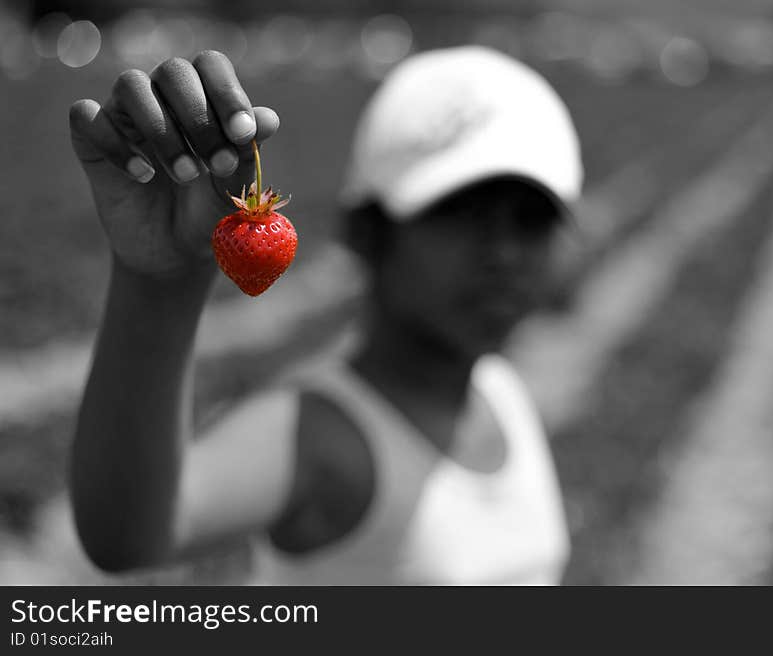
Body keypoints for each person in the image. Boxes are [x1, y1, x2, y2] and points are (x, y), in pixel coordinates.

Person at [69, 45, 584, 585]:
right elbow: (131, 532)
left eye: (531, 219)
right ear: (365, 230)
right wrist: (159, 283)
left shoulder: (502, 391)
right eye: (461, 211)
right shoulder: (319, 437)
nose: (502, 254)